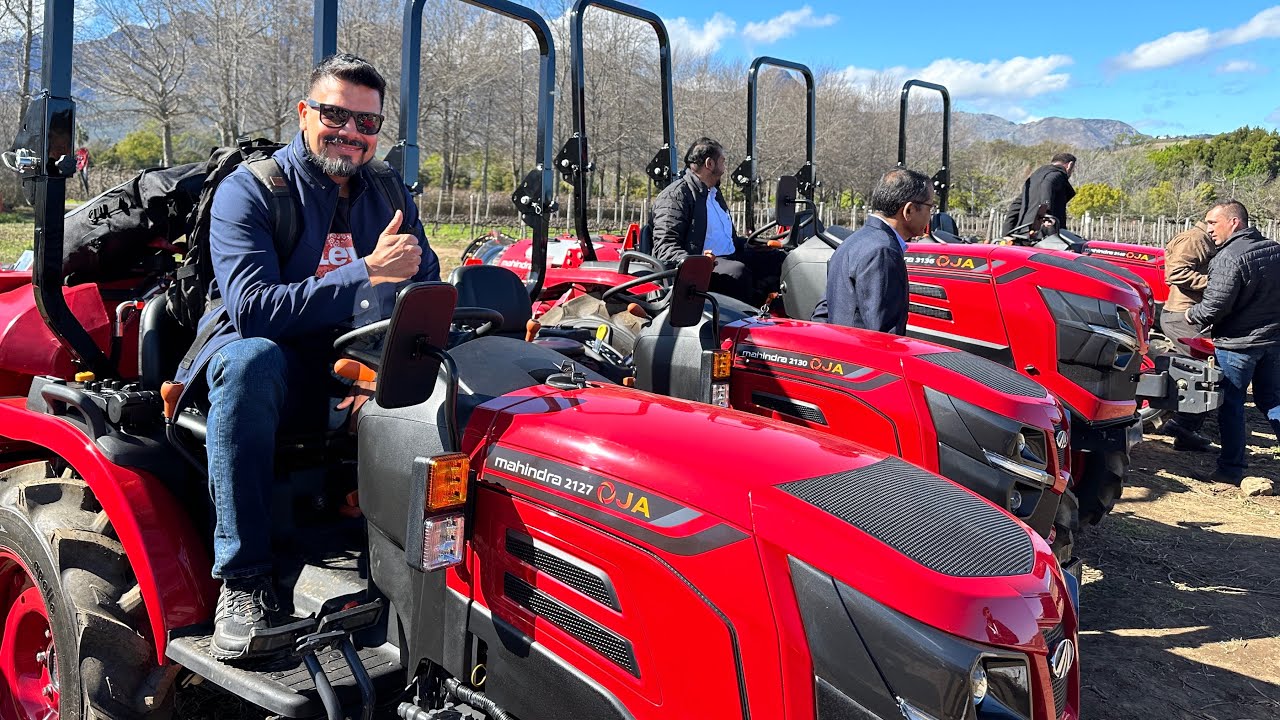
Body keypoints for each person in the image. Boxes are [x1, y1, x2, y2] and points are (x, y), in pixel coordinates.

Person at [172, 53, 440, 660]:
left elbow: (423, 269)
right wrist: (365, 270)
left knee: (447, 375)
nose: (351, 133)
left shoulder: (389, 190)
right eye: (336, 115)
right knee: (251, 362)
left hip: (353, 357)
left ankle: (424, 567)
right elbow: (255, 309)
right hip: (274, 362)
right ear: (304, 112)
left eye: (366, 124)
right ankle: (243, 581)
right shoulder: (253, 191)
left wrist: (411, 270)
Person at [1184, 200, 1280, 484]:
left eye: (1213, 222)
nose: (1209, 229)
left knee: (1231, 404)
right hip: (1273, 342)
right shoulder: (1274, 250)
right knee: (1272, 401)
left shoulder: (1229, 257)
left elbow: (1214, 306)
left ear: (1234, 222)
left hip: (1238, 345)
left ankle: (1230, 469)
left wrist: (1191, 314)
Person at [650, 137, 784, 305]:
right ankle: (745, 323)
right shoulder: (675, 196)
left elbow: (729, 239)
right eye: (722, 161)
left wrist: (758, 244)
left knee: (778, 259)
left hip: (729, 256)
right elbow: (665, 247)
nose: (725, 167)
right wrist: (700, 262)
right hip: (701, 267)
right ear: (710, 164)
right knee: (737, 272)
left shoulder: (714, 194)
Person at [811, 168, 933, 334]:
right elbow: (885, 334)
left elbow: (824, 311)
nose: (930, 215)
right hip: (861, 356)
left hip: (842, 352)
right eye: (930, 207)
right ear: (909, 210)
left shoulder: (853, 241)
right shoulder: (883, 251)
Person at [1159, 221, 1216, 451]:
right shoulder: (1196, 239)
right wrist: (1216, 284)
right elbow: (1175, 272)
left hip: (1187, 312)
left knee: (1200, 368)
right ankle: (1181, 425)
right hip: (1184, 313)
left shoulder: (1199, 239)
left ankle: (1186, 430)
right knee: (1202, 369)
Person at [1001, 152, 1077, 237]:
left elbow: (1016, 205)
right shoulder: (1058, 175)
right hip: (1044, 236)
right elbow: (1047, 184)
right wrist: (1046, 213)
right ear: (1069, 165)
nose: (1072, 172)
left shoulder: (1034, 178)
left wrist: (1006, 233)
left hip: (1024, 234)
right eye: (1073, 169)